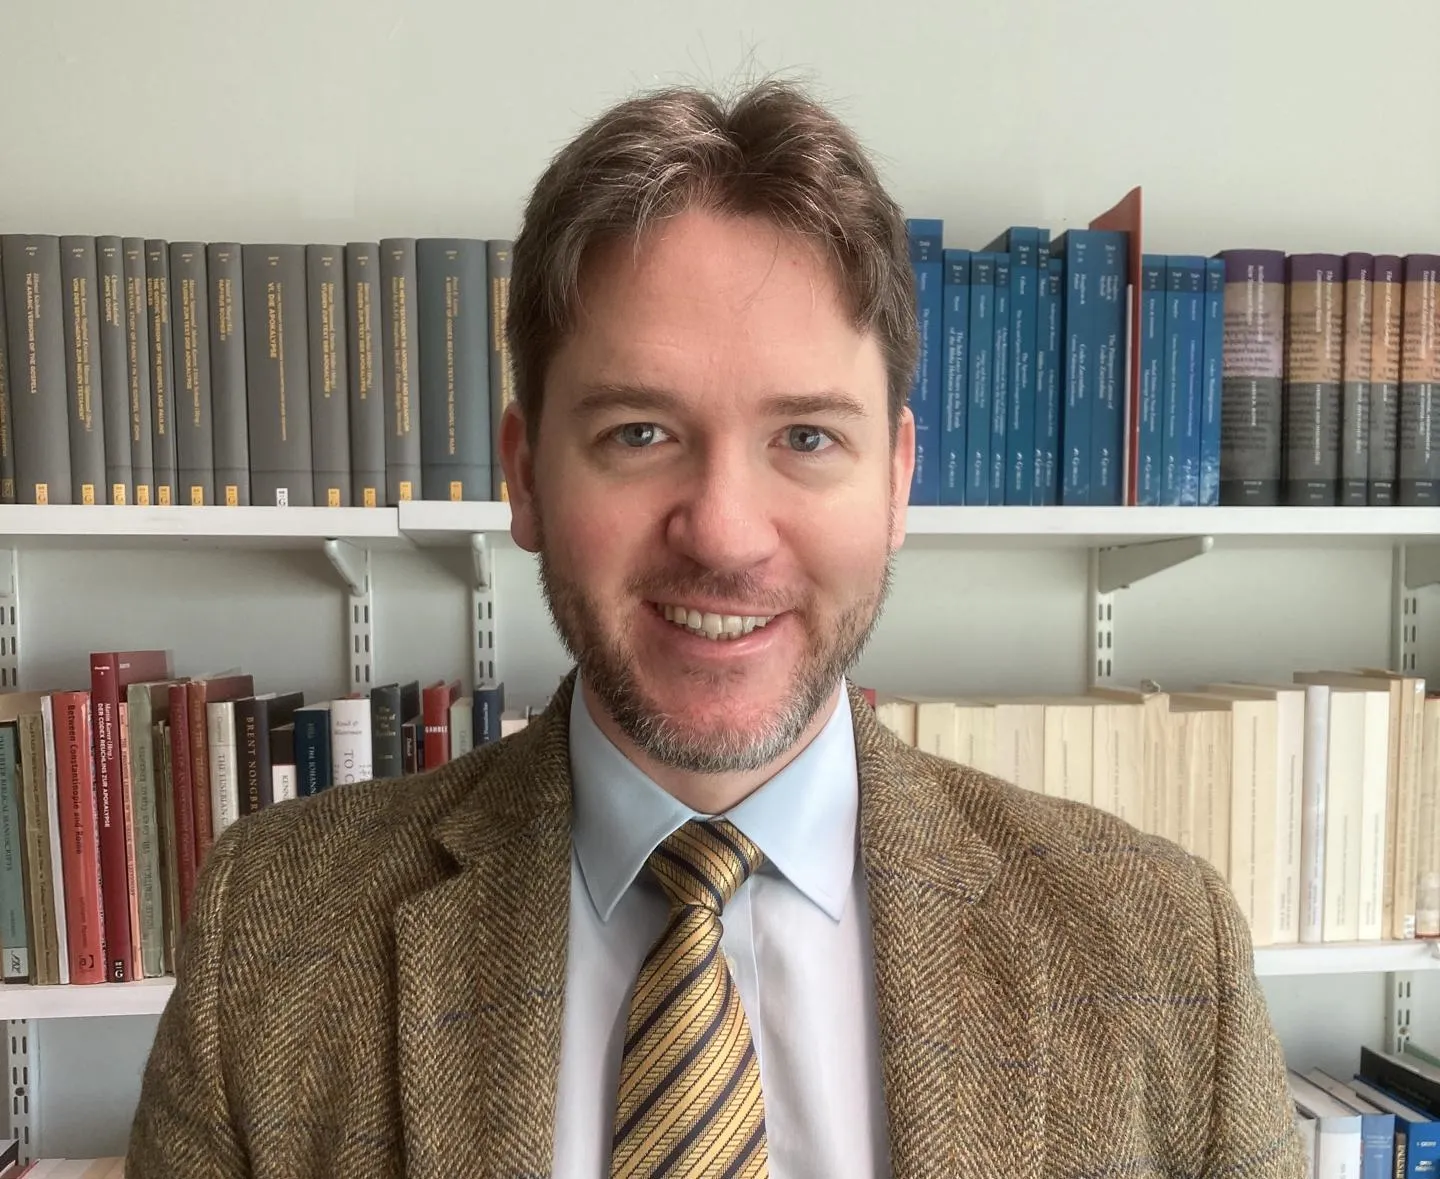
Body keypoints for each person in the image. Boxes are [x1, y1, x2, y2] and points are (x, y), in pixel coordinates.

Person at [126, 80, 1305, 1178]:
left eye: (806, 437)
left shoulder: (1162, 957)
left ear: (897, 482)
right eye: (640, 432)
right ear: (525, 475)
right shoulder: (270, 946)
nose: (726, 534)